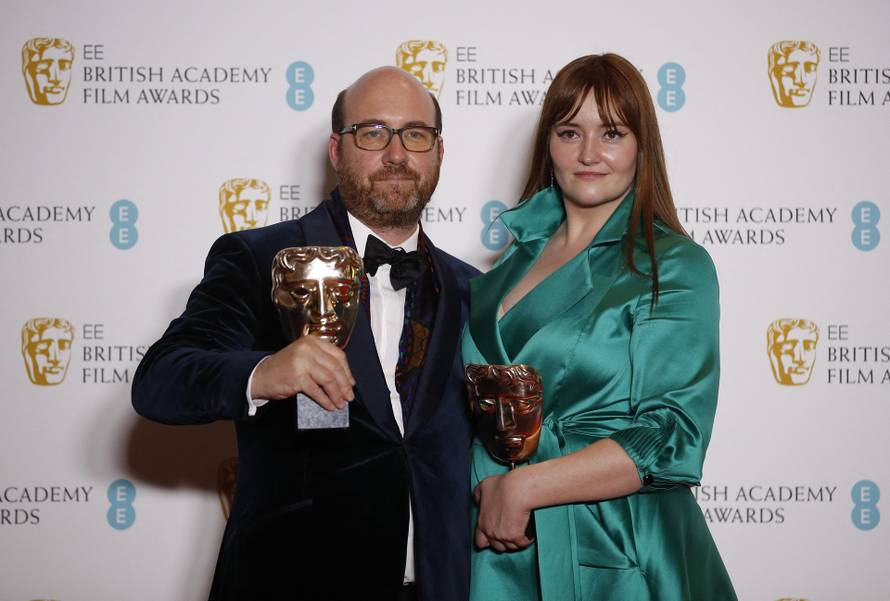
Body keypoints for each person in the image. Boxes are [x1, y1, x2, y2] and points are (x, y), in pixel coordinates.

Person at [132, 66, 478, 601]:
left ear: (437, 151)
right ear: (337, 150)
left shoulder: (472, 288)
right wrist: (262, 372)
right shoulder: (258, 258)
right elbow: (161, 380)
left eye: (415, 134)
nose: (396, 154)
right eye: (372, 132)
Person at [463, 54, 737, 600]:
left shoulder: (673, 264)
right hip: (497, 548)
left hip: (616, 545)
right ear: (549, 144)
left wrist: (524, 487)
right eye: (570, 132)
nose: (588, 153)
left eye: (611, 132)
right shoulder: (500, 271)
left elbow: (671, 434)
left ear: (641, 146)